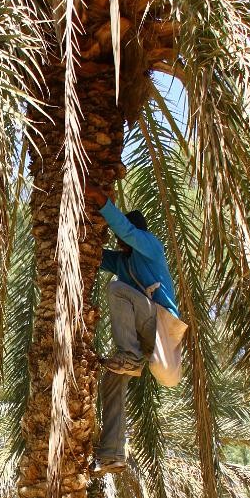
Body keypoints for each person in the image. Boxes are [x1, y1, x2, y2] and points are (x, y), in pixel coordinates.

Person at [92, 198, 180, 475]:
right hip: (146, 334)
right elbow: (94, 256)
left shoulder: (151, 246)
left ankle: (129, 355)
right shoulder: (123, 261)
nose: (120, 240)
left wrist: (102, 205)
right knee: (112, 380)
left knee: (116, 289)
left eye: (122, 235)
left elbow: (127, 231)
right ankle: (112, 454)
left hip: (161, 324)